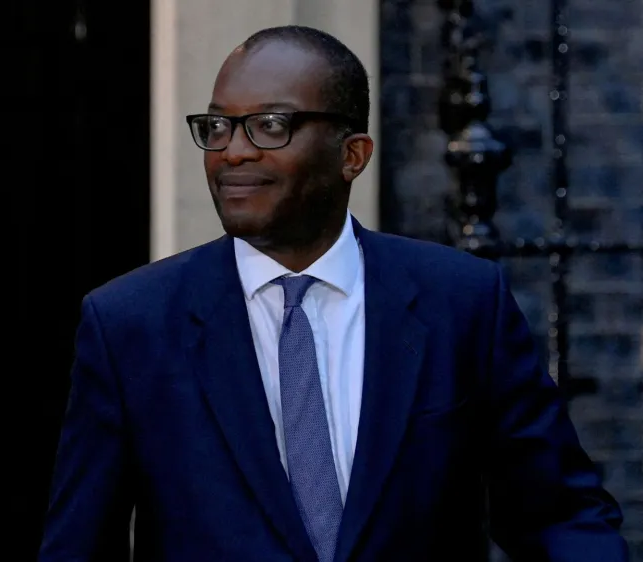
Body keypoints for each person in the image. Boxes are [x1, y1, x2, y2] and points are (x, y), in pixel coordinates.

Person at [37, 25, 627, 562]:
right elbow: (80, 546)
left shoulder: (462, 302)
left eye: (271, 125)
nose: (233, 151)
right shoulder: (130, 325)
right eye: (217, 127)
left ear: (352, 155)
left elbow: (560, 517)